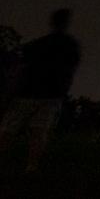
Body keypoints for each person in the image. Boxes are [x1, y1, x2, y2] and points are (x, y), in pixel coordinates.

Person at [0, 10, 82, 174]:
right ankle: (31, 167)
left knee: (8, 129)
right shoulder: (71, 45)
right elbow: (70, 71)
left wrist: (10, 92)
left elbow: (20, 68)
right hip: (51, 94)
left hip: (28, 92)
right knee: (40, 131)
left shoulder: (38, 44)